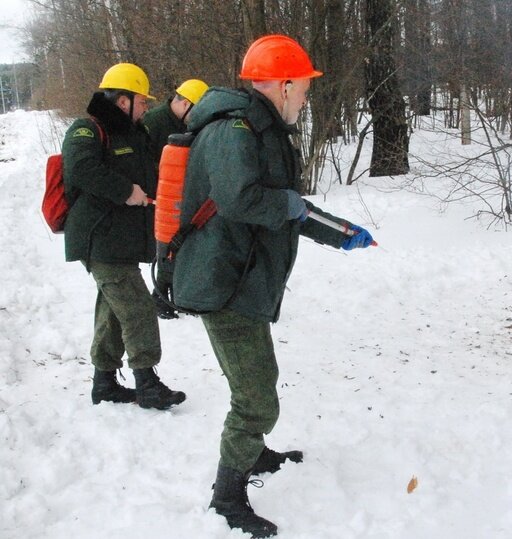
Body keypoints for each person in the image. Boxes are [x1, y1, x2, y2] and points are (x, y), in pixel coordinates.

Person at [171, 35, 374, 537]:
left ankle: (255, 453)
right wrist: (291, 209)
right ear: (283, 85)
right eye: (303, 89)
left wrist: (339, 235)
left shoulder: (258, 128)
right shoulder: (234, 130)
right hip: (225, 282)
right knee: (257, 399)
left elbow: (287, 205)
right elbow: (243, 200)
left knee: (257, 377)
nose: (306, 98)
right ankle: (227, 495)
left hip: (243, 279)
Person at [62, 62, 186, 410]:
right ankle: (147, 382)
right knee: (137, 307)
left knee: (113, 311)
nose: (147, 107)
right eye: (142, 101)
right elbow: (82, 169)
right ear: (122, 101)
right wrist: (125, 190)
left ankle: (104, 382)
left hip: (123, 240)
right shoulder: (86, 129)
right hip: (99, 239)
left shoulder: (136, 132)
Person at [143, 78, 209, 319]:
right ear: (184, 104)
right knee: (166, 246)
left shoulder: (188, 124)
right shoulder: (153, 121)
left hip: (181, 191)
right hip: (159, 193)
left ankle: (176, 294)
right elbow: (144, 159)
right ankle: (160, 296)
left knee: (180, 244)